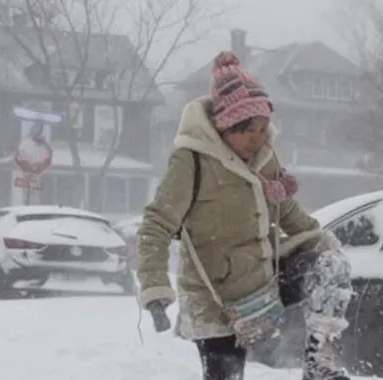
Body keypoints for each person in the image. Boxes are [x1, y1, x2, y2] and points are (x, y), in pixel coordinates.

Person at [135, 51, 353, 380]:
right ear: (225, 126)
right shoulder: (191, 162)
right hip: (215, 297)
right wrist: (155, 288)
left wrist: (323, 241)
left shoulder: (264, 158)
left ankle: (319, 363)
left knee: (329, 263)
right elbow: (156, 224)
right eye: (249, 130)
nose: (259, 138)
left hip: (265, 276)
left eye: (264, 128)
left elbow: (286, 210)